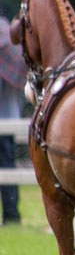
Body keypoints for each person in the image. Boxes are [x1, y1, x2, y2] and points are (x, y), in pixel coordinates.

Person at [0, 12, 24, 224]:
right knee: (8, 165)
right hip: (11, 117)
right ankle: (11, 213)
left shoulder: (8, 57)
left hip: (6, 119)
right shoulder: (13, 51)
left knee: (7, 166)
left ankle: (11, 213)